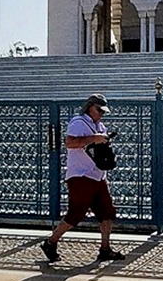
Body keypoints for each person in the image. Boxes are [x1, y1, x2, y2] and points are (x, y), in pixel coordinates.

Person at [40, 93, 124, 263]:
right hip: (80, 175)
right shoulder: (79, 122)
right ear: (89, 106)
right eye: (98, 110)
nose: (101, 114)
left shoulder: (99, 126)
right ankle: (50, 242)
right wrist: (94, 138)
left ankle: (105, 249)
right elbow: (70, 143)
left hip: (98, 176)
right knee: (76, 214)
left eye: (103, 111)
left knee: (107, 212)